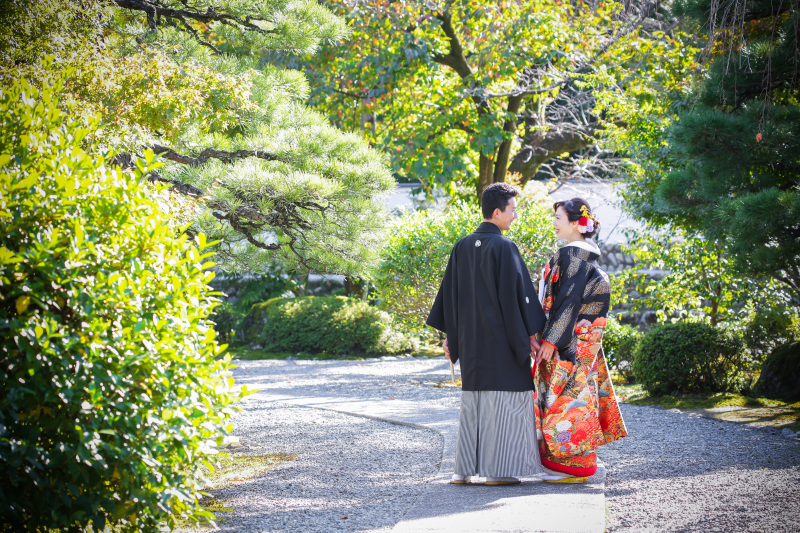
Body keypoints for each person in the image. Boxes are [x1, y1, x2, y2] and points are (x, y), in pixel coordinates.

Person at [427, 182, 547, 486]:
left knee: (474, 401)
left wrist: (450, 337)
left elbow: (449, 297)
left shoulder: (462, 246)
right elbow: (520, 296)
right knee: (505, 399)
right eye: (513, 209)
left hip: (470, 342)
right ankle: (497, 471)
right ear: (497, 212)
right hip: (502, 341)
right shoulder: (504, 247)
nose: (515, 215)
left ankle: (463, 470)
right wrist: (532, 333)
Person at [534, 198, 628, 482]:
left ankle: (568, 467)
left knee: (565, 400)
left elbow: (569, 301)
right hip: (581, 341)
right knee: (577, 399)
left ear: (576, 223)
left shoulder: (574, 254)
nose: (555, 223)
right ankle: (576, 464)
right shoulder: (583, 254)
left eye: (559, 218)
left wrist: (551, 340)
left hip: (568, 343)